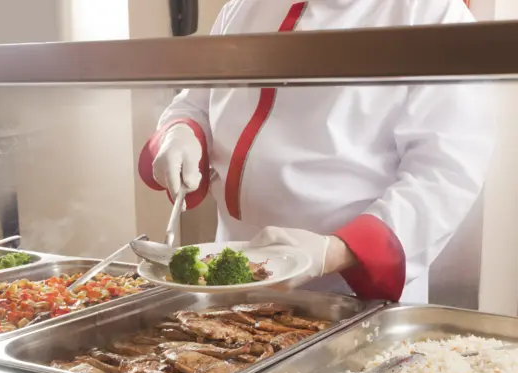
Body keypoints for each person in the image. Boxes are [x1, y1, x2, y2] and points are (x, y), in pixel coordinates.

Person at [138, 0, 495, 303]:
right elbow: (197, 101)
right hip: (231, 268)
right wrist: (181, 132)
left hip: (349, 287)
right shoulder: (245, 4)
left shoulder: (430, 14)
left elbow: (443, 177)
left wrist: (336, 251)